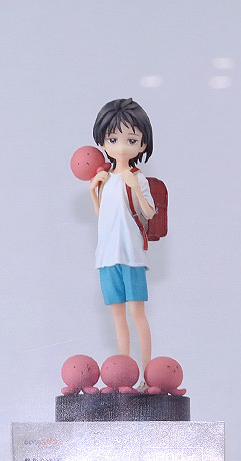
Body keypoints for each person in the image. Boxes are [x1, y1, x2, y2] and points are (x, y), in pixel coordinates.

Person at [89, 98, 156, 372]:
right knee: (117, 315)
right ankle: (123, 372)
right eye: (113, 139)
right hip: (106, 256)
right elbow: (103, 217)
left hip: (131, 255)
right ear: (103, 142)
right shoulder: (105, 179)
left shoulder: (137, 178)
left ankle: (147, 371)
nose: (121, 147)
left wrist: (136, 187)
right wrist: (93, 191)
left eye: (131, 140)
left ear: (142, 144)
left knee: (136, 313)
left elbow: (149, 213)